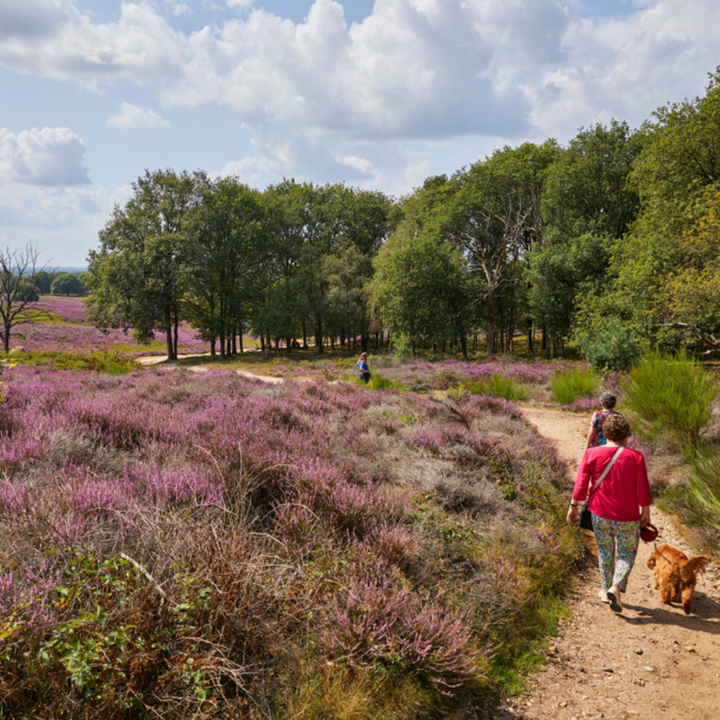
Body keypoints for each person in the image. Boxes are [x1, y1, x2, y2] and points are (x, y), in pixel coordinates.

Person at [567, 413, 652, 613]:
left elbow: (581, 483)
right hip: (628, 516)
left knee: (605, 552)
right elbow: (643, 489)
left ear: (604, 433)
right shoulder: (636, 457)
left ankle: (606, 591)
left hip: (599, 512)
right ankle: (616, 586)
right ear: (627, 435)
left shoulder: (591, 454)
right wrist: (645, 511)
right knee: (626, 553)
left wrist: (573, 507)